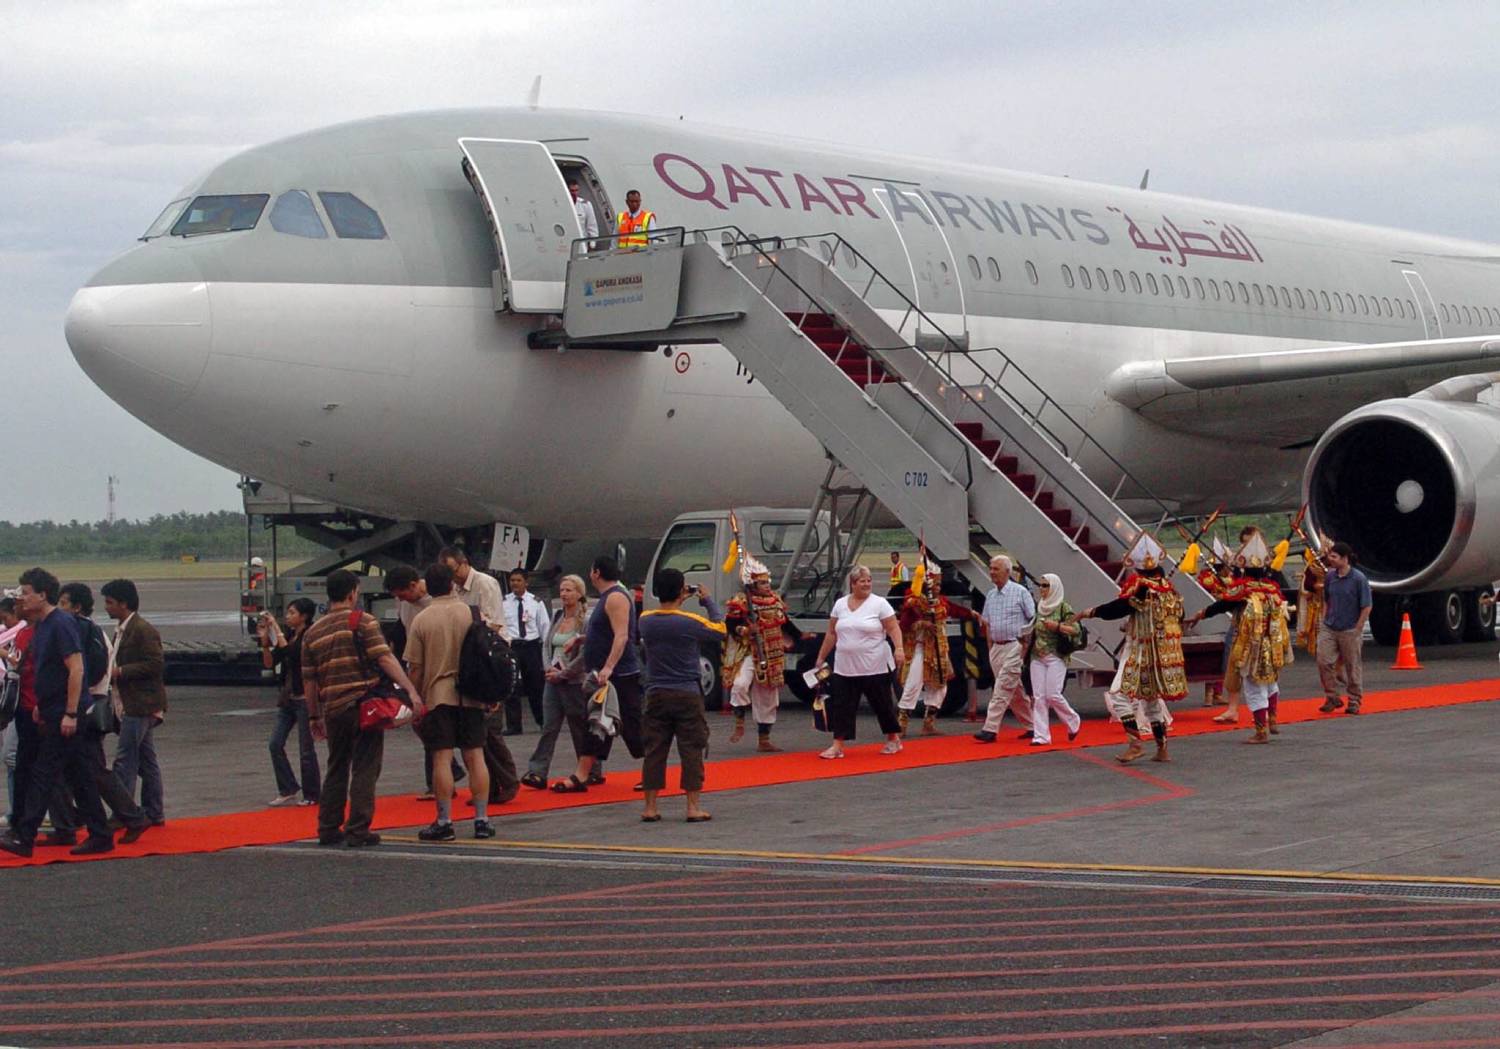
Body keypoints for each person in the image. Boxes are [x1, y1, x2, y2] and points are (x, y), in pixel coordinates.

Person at [302, 570, 423, 848]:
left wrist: (313, 715)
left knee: (336, 766)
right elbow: (385, 659)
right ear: (352, 593)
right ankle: (358, 829)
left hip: (334, 708)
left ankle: (328, 827)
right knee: (366, 767)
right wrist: (410, 690)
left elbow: (309, 680)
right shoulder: (363, 621)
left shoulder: (313, 633)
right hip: (364, 704)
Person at [0, 569, 113, 858]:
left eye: (26, 592)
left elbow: (76, 668)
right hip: (52, 709)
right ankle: (101, 834)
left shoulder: (60, 624)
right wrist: (42, 703)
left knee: (43, 772)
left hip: (66, 713)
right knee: (79, 775)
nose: (22, 598)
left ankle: (24, 836)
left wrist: (71, 713)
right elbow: (47, 671)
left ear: (42, 594)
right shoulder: (43, 625)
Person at [1077, 535, 1188, 763]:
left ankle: (1135, 743)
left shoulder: (1141, 587)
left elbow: (1119, 607)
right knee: (1151, 700)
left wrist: (1091, 611)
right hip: (1160, 652)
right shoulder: (1168, 589)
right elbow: (1179, 616)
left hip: (1139, 649)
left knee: (1119, 695)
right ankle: (1162, 749)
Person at [407, 563, 494, 842]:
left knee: (441, 757)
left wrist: (416, 698)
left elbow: (416, 668)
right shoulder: (472, 613)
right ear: (452, 584)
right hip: (471, 693)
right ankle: (481, 820)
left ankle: (444, 821)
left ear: (428, 588)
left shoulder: (422, 619)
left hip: (438, 695)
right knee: (475, 755)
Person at [59, 583, 150, 838]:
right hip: (87, 703)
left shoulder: (86, 631)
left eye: (64, 604)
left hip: (88, 706)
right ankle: (78, 818)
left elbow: (93, 671)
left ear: (76, 607)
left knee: (94, 769)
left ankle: (130, 816)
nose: (59, 609)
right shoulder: (87, 630)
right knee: (80, 769)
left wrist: (74, 699)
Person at [638, 569, 724, 822]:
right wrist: (707, 600)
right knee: (691, 748)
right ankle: (692, 806)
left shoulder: (646, 619)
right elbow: (720, 628)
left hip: (656, 691)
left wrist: (677, 598)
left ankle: (651, 806)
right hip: (686, 691)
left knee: (654, 749)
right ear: (681, 591)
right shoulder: (689, 621)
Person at [1190, 534, 1292, 743]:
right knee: (1271, 682)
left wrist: (1201, 614)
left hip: (1250, 643)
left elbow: (1223, 605)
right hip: (1271, 643)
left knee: (1253, 686)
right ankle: (1272, 718)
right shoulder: (1272, 588)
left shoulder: (1243, 588)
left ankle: (1261, 731)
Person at [552, 556, 642, 792]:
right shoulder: (606, 598)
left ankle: (654, 768)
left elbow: (621, 636)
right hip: (604, 676)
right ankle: (581, 775)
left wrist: (609, 667)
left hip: (619, 675)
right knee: (596, 723)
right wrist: (581, 639)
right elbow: (605, 633)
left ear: (596, 573)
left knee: (633, 729)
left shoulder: (615, 597)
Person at [387, 565, 465, 800]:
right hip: (418, 663)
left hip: (441, 668)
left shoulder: (438, 601)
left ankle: (446, 778)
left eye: (403, 595)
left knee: (437, 728)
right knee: (423, 724)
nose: (402, 600)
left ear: (414, 585)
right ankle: (443, 778)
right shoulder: (405, 605)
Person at [811, 565, 905, 759]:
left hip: (874, 665)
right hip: (845, 666)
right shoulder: (840, 604)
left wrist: (899, 649)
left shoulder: (880, 604)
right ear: (853, 584)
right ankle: (838, 745)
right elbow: (831, 633)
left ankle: (893, 737)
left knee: (882, 703)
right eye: (862, 581)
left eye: (869, 580)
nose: (867, 584)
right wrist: (821, 657)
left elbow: (893, 628)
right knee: (843, 705)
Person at [102, 578, 168, 828]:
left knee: (125, 759)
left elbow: (155, 664)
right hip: (132, 703)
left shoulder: (143, 630)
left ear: (123, 603)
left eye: (109, 603)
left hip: (141, 704)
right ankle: (154, 811)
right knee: (146, 760)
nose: (106, 607)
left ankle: (124, 812)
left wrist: (121, 672)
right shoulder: (123, 629)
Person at [522, 575, 591, 790]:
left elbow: (585, 655)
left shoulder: (585, 621)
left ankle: (588, 769)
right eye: (561, 590)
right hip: (553, 679)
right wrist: (548, 669)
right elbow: (546, 644)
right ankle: (537, 771)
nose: (563, 594)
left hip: (574, 681)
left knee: (579, 726)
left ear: (579, 594)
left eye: (568, 590)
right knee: (549, 726)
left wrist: (565, 674)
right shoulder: (557, 616)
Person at [896, 560, 979, 737]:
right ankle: (901, 726)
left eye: (940, 583)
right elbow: (904, 624)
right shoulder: (915, 601)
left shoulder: (940, 602)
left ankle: (928, 723)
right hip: (920, 649)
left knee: (940, 686)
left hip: (939, 650)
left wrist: (971, 613)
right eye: (937, 583)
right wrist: (922, 623)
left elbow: (954, 610)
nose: (939, 586)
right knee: (913, 685)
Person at [724, 555, 795, 752]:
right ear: (753, 584)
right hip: (750, 650)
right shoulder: (741, 601)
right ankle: (739, 720)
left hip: (771, 652)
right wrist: (746, 630)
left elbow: (786, 623)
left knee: (767, 696)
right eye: (762, 582)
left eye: (767, 582)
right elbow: (730, 624)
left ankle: (764, 739)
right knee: (740, 684)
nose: (766, 585)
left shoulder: (775, 600)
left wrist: (800, 636)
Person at [260, 598, 320, 807]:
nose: (288, 617)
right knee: (275, 743)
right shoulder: (290, 636)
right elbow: (270, 662)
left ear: (303, 616)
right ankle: (288, 787)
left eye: (292, 613)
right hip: (288, 697)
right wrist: (265, 644)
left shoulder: (308, 636)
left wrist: (276, 629)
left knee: (306, 749)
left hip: (304, 697)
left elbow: (293, 656)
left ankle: (312, 793)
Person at [974, 555, 1033, 743]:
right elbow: (988, 624)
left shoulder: (1020, 592)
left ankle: (990, 728)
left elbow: (1033, 620)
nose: (992, 572)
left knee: (1001, 688)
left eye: (996, 569)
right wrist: (990, 649)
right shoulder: (991, 595)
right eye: (991, 568)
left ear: (1007, 572)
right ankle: (1032, 726)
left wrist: (1024, 649)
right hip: (997, 648)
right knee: (1015, 691)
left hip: (1015, 645)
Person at [1028, 573, 1083, 746]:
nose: (1041, 589)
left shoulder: (1063, 607)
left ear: (1054, 588)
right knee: (1038, 697)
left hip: (1056, 655)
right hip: (1037, 655)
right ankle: (1041, 736)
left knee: (1053, 694)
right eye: (1040, 585)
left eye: (1046, 586)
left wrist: (1057, 626)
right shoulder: (1039, 607)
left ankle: (1072, 719)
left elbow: (1075, 630)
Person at [1317, 541, 1371, 715]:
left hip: (1350, 628)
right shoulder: (1330, 577)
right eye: (1330, 556)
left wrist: (1358, 627)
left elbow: (1367, 605)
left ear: (1345, 558)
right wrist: (1324, 619)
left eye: (1334, 556)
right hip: (1330, 626)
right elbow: (1326, 599)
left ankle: (1354, 699)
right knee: (1323, 661)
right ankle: (1332, 696)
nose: (1330, 559)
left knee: (1352, 665)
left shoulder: (1358, 579)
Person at [504, 568, 550, 731]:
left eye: (518, 580)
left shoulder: (536, 602)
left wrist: (546, 654)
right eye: (512, 580)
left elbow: (544, 627)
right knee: (512, 686)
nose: (515, 584)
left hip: (531, 647)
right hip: (513, 646)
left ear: (526, 582)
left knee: (535, 685)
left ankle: (542, 721)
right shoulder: (504, 602)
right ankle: (514, 725)